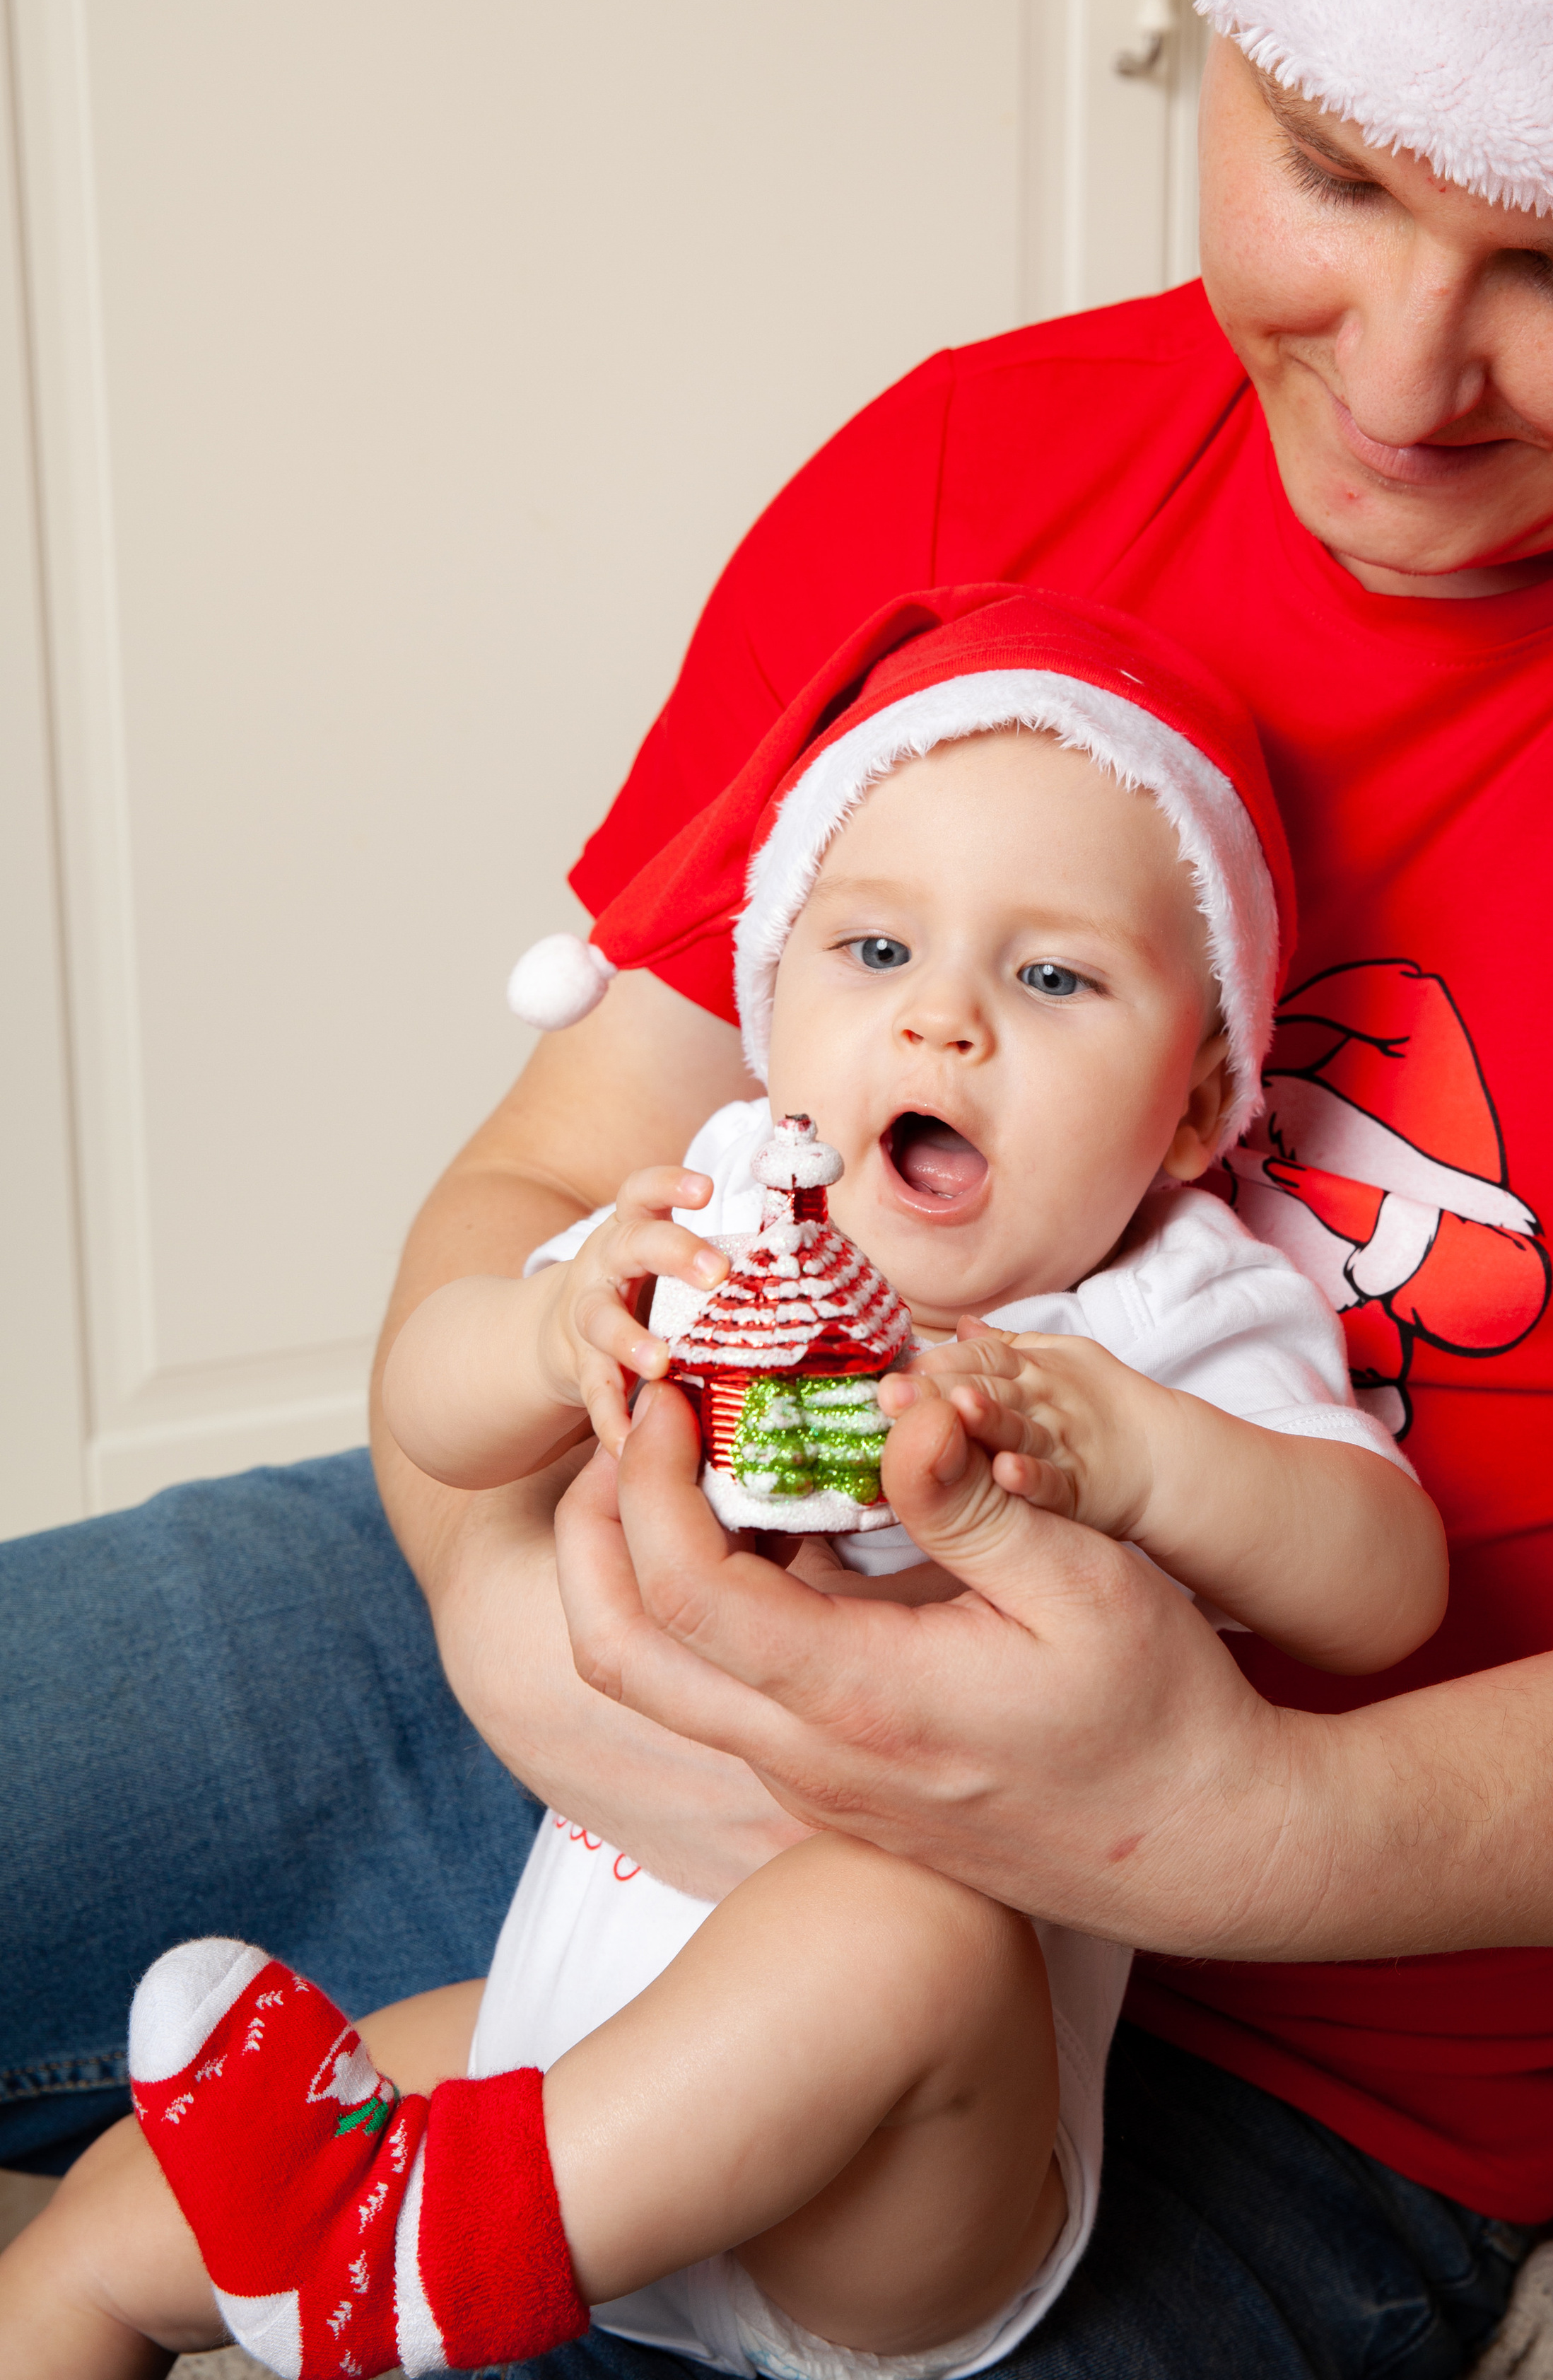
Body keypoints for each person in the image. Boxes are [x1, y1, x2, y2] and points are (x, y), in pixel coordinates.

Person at [4, 0, 1553, 2369]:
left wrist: (1246, 1820)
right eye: (1326, 169)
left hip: (1294, 2027)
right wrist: (526, 1614)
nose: (1413, 376)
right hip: (609, 1685)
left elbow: (1326, 1553)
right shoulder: (983, 473)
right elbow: (555, 1183)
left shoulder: (1195, 1328)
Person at [0, 603, 1441, 2378]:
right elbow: (436, 1417)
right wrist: (541, 1335)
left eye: (1050, 978)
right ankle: (379, 2237)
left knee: (901, 1920)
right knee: (104, 2230)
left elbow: (1384, 1587)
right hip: (573, 2041)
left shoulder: (1152, 1315)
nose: (942, 1024)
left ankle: (424, 2257)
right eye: (873, 950)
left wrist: (1142, 1456)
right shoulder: (704, 1228)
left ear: (1195, 1096)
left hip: (895, 2180)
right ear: (767, 1011)